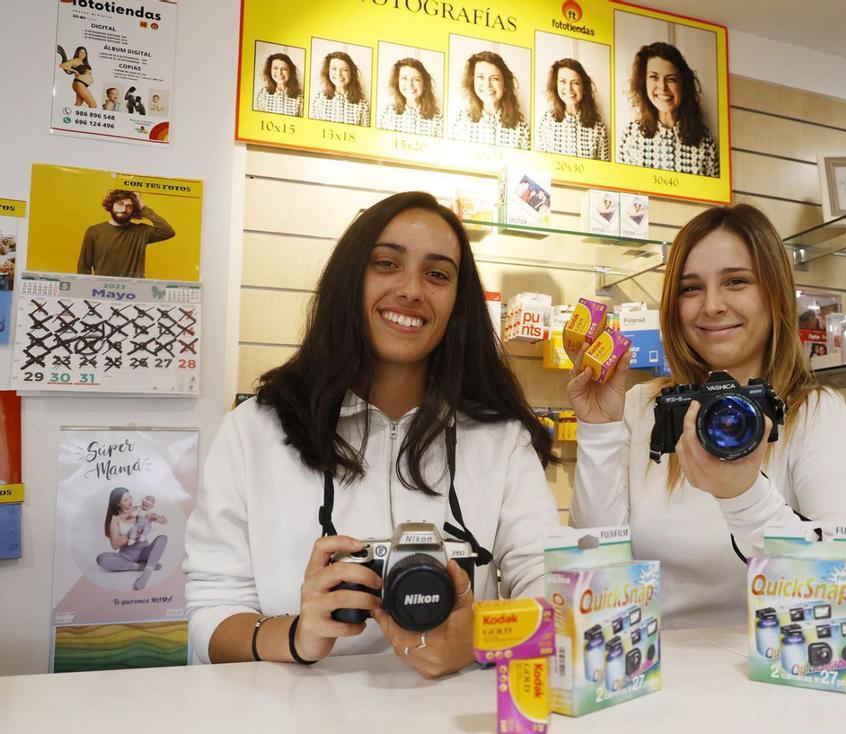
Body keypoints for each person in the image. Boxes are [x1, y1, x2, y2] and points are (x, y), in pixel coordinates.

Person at [184, 192, 560, 673]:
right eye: (386, 264)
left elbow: (550, 582)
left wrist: (477, 638)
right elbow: (211, 611)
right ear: (349, 280)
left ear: (458, 305)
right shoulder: (255, 429)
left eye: (438, 274)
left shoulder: (500, 437)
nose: (411, 290)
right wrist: (298, 634)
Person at [568, 203, 846, 628]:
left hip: (775, 678)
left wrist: (743, 494)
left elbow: (844, 588)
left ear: (773, 292)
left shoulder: (813, 412)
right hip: (651, 673)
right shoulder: (641, 405)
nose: (711, 306)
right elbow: (594, 570)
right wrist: (598, 429)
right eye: (690, 288)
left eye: (736, 281)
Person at [617, 42, 718, 178]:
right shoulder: (631, 137)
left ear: (684, 86)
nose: (662, 87)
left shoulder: (706, 146)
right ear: (644, 83)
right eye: (654, 77)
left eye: (671, 79)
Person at [77, 190, 175, 279]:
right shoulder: (94, 231)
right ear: (111, 205)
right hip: (102, 292)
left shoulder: (141, 231)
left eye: (129, 206)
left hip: (134, 292)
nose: (124, 209)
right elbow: (83, 268)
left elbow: (167, 231)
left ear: (134, 210)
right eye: (120, 204)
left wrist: (142, 206)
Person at [449, 51, 529, 149]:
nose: (487, 85)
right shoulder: (461, 122)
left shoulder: (521, 129)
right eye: (480, 77)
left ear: (505, 85)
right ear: (472, 82)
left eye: (494, 78)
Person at [535, 58, 609, 161]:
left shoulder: (599, 128)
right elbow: (540, 165)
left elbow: (604, 172)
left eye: (575, 83)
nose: (569, 88)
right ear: (556, 86)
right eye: (563, 81)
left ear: (584, 89)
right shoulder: (546, 122)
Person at [97, 488, 168, 592]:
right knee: (101, 559)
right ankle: (141, 566)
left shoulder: (141, 509)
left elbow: (164, 520)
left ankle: (146, 574)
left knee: (162, 538)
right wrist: (130, 535)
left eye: (129, 497)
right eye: (125, 500)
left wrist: (155, 517)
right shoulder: (115, 519)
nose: (130, 501)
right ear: (117, 504)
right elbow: (115, 545)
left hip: (144, 552)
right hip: (127, 556)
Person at [378, 58, 442, 136]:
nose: (410, 84)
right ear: (397, 83)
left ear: (425, 84)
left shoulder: (437, 119)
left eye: (416, 79)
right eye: (404, 78)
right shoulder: (388, 114)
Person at [311, 51, 369, 126]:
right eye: (334, 69)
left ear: (351, 74)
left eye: (344, 70)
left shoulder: (362, 102)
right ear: (328, 72)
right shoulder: (319, 99)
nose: (339, 74)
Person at [254, 52, 303, 117]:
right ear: (270, 70)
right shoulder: (262, 94)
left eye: (284, 69)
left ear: (291, 72)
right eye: (275, 68)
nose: (279, 73)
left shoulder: (300, 97)